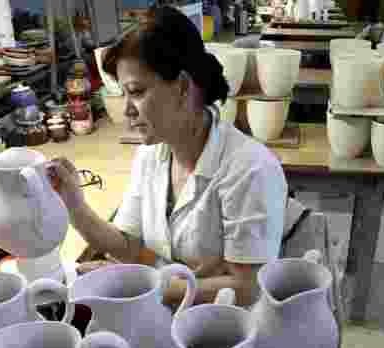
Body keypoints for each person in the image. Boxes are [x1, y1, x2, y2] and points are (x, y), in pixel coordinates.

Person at [46, 6, 289, 307]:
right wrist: (74, 204)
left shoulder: (249, 169)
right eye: (123, 94)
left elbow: (246, 288)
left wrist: (145, 286)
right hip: (164, 310)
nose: (127, 110)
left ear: (184, 87)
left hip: (223, 329)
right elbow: (129, 246)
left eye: (136, 92)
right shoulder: (153, 155)